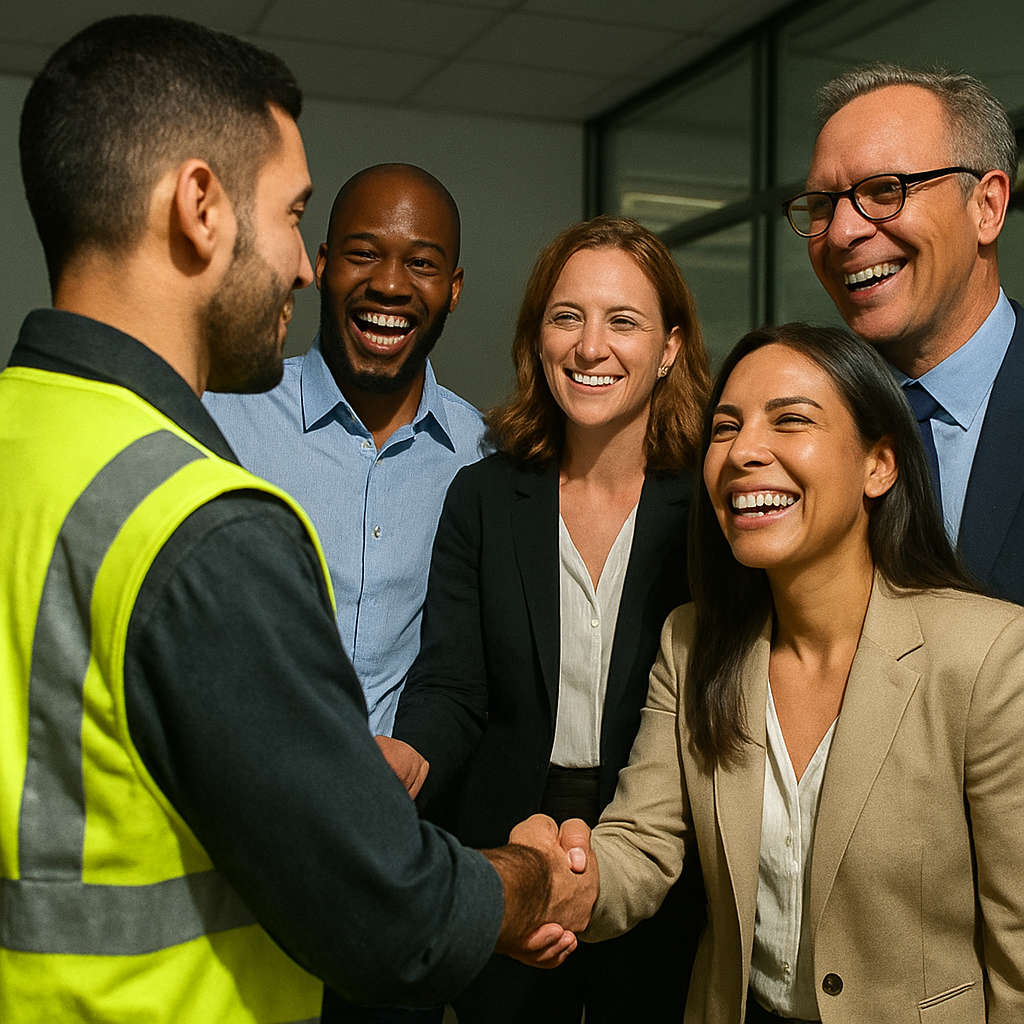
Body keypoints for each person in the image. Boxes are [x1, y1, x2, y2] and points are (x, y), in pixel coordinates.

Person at [0, 16, 593, 1023]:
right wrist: (533, 874)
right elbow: (390, 912)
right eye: (295, 217)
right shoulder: (204, 519)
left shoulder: (26, 428)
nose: (305, 268)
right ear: (199, 207)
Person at [566, 323, 1024, 1022]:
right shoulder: (692, 644)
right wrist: (560, 878)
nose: (745, 452)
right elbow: (641, 844)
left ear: (880, 465)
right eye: (725, 428)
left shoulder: (986, 655)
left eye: (791, 421)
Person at [387, 215, 712, 1024]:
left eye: (623, 321)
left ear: (670, 348)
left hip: (666, 849)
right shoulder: (485, 497)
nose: (590, 347)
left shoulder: (711, 507)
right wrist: (407, 755)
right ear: (538, 339)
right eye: (566, 317)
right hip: (506, 849)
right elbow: (454, 684)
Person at [204, 163, 484, 738]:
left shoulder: (482, 458)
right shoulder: (219, 415)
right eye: (364, 254)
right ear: (324, 264)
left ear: (453, 289)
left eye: (422, 264)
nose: (389, 284)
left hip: (397, 814)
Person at [781, 64, 1023, 603]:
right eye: (823, 205)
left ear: (987, 207)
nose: (842, 232)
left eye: (886, 191)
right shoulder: (794, 427)